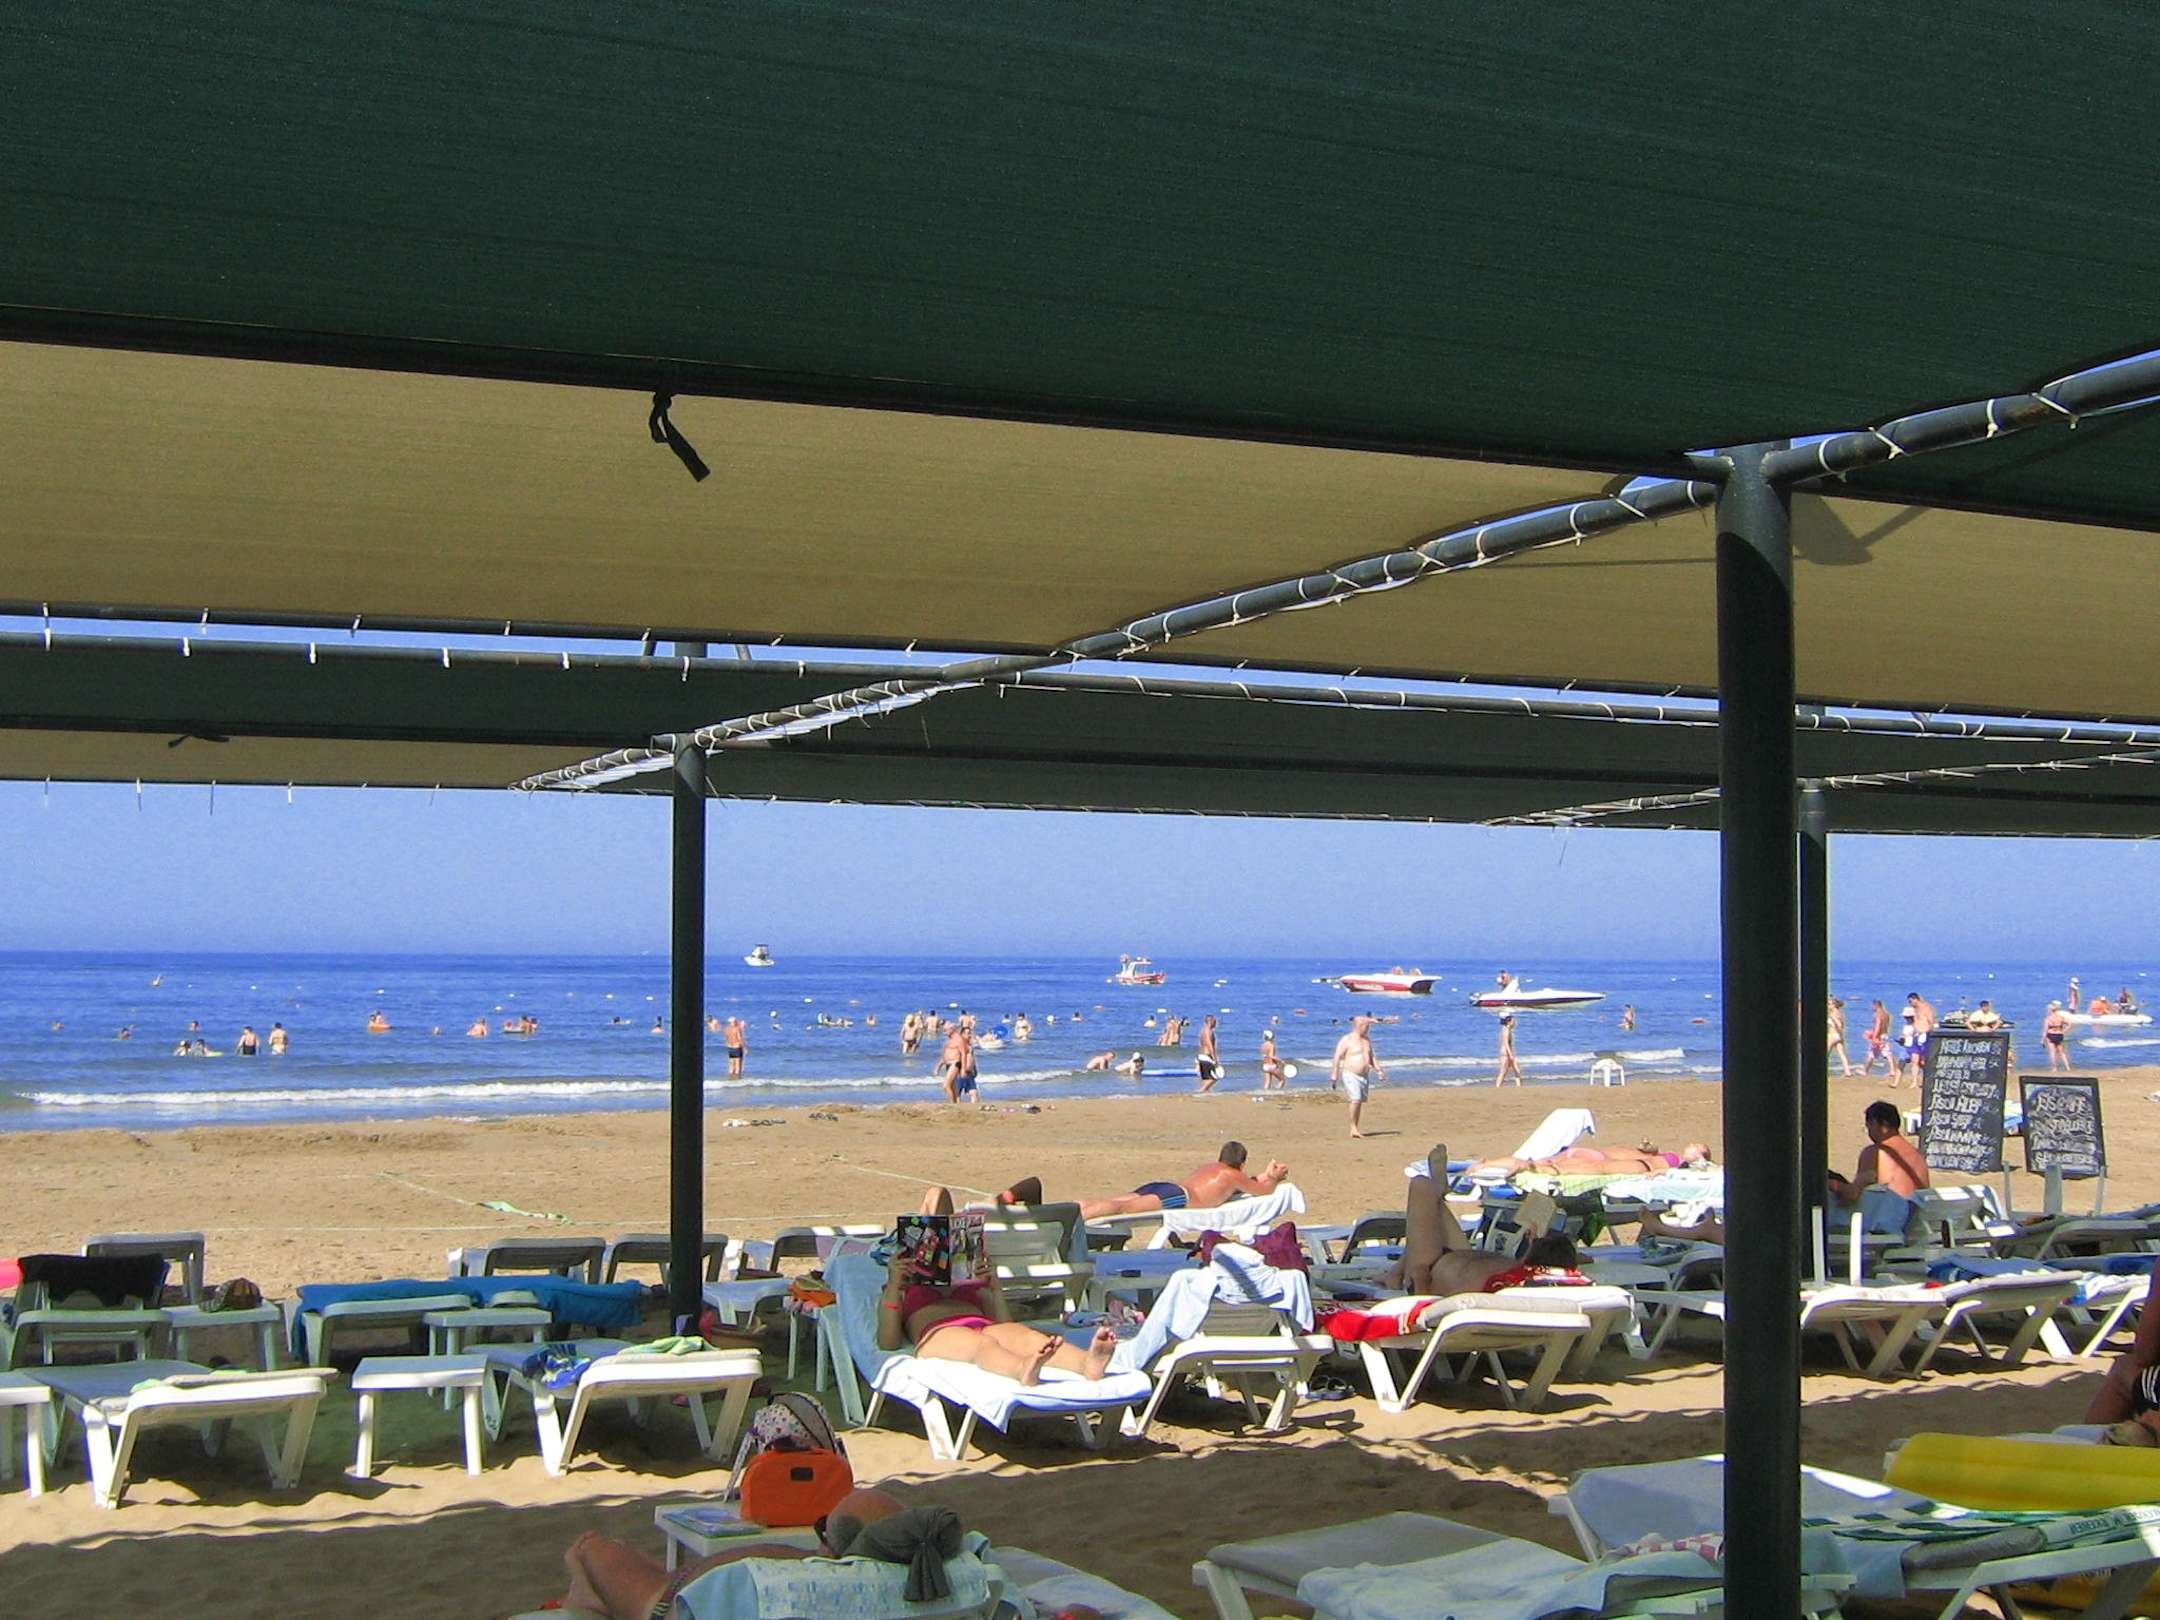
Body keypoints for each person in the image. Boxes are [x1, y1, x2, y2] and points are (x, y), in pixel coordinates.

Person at [557, 1489, 955, 1620]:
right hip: (683, 1590)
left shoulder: (798, 1584)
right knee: (641, 1563)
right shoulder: (912, 1583)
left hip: (668, 1606)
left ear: (833, 1544)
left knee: (592, 1549)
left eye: (825, 1526)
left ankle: (581, 1584)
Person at [879, 1241, 1114, 1383]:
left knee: (1029, 1338)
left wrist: (995, 1287)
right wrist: (894, 1283)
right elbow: (888, 1342)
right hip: (938, 1333)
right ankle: (1021, 1369)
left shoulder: (971, 1282)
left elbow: (1004, 1322)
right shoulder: (900, 1287)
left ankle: (1087, 1363)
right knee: (982, 1345)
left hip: (984, 1325)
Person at [1380, 1146, 1581, 1294]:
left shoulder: (1498, 1284)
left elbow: (1427, 1303)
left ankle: (1396, 1275)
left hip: (1430, 1269)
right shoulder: (1523, 1274)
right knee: (1426, 1195)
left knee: (1421, 1185)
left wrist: (1420, 1278)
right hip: (1458, 1256)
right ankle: (1395, 1272)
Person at [1076, 1141, 1288, 1219]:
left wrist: (1265, 1175)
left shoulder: (1211, 1168)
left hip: (1167, 1187)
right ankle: (1080, 1218)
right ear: (1241, 1163)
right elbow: (1263, 1191)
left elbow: (1249, 1182)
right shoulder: (1233, 1176)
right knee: (1123, 1209)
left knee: (1115, 1201)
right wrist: (1274, 1177)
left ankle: (1076, 1207)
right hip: (1178, 1197)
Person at [1829, 1100, 1930, 1212]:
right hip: (1917, 1217)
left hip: (1890, 1218)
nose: (1869, 1133)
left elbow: (1852, 1196)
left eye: (1869, 1127)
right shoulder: (1916, 1154)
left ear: (1876, 1124)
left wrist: (1835, 1185)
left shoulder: (1876, 1153)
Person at [1466, 1141, 1712, 1179]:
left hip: (1598, 1155)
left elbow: (1710, 1170)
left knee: (1547, 1164)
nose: (1693, 1144)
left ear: (1701, 1157)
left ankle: (1488, 1164)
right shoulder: (1671, 1158)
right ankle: (1516, 1166)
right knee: (1552, 1168)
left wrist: (1657, 1171)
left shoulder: (1692, 1167)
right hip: (1615, 1161)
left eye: (1698, 1147)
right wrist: (1650, 1151)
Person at [1330, 1014, 1385, 1138]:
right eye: (1366, 1026)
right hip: (1350, 1073)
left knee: (1359, 1101)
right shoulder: (1347, 1039)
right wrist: (1335, 1073)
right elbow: (1337, 1056)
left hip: (1364, 1075)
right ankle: (1353, 1128)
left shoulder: (1366, 1040)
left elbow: (1372, 1057)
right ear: (1359, 1026)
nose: (1368, 1029)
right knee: (1356, 1099)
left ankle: (1355, 1126)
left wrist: (1379, 1070)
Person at [1493, 1014, 1526, 1089]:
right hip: (1505, 1054)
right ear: (1509, 1022)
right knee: (1503, 1072)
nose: (1515, 1022)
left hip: (1508, 1053)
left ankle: (1519, 1087)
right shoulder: (1506, 1030)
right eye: (1513, 1021)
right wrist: (1510, 1055)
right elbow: (1506, 1043)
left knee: (1517, 1070)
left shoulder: (1506, 1029)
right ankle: (1497, 1087)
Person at [1195, 1014, 1223, 1093]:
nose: (1216, 1023)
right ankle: (1201, 1091)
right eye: (1214, 1021)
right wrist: (1215, 1058)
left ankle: (1206, 1092)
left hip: (1201, 1056)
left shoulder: (1202, 1031)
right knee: (1215, 1077)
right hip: (1207, 1056)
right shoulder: (1208, 1031)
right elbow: (1209, 1044)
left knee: (1206, 1078)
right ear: (1210, 1021)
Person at [1827, 997, 1853, 1076]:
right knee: (1842, 1054)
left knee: (1826, 1053)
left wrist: (1836, 1025)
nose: (1828, 1006)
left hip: (1833, 1035)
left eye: (1829, 1004)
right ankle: (1847, 1071)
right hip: (1839, 1036)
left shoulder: (1833, 1014)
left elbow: (1839, 1025)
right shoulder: (1840, 1013)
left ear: (1834, 1005)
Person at [2044, 1000, 2072, 1071]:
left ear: (2050, 1010)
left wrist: (2042, 1040)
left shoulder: (2048, 1018)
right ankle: (2067, 1067)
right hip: (2059, 1034)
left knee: (2052, 1052)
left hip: (2051, 1034)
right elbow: (2069, 1023)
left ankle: (2054, 1068)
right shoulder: (2060, 1017)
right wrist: (2064, 1031)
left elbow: (2045, 1030)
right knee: (2062, 1052)